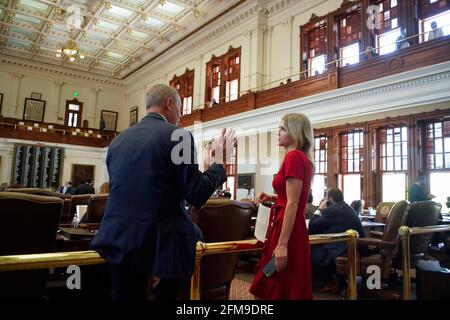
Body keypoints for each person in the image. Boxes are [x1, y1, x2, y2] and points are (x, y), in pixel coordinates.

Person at [90, 84, 236, 300]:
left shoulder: (117, 141)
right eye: (179, 107)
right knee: (193, 237)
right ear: (169, 104)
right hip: (158, 240)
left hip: (116, 237)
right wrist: (220, 163)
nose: (181, 114)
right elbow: (196, 193)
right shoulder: (178, 136)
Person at [250, 113, 314, 300]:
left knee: (271, 282)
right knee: (278, 283)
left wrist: (283, 244)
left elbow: (293, 203)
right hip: (291, 226)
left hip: (287, 231)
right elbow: (292, 197)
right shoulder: (301, 157)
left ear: (295, 133)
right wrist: (271, 197)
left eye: (282, 129)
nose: (277, 132)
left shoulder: (293, 157)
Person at [308, 188, 367, 291]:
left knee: (311, 251)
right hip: (355, 245)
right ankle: (333, 279)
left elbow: (312, 224)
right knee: (317, 248)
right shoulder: (344, 207)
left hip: (346, 247)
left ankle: (328, 282)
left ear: (330, 199)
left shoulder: (333, 210)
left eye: (325, 197)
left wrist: (320, 209)